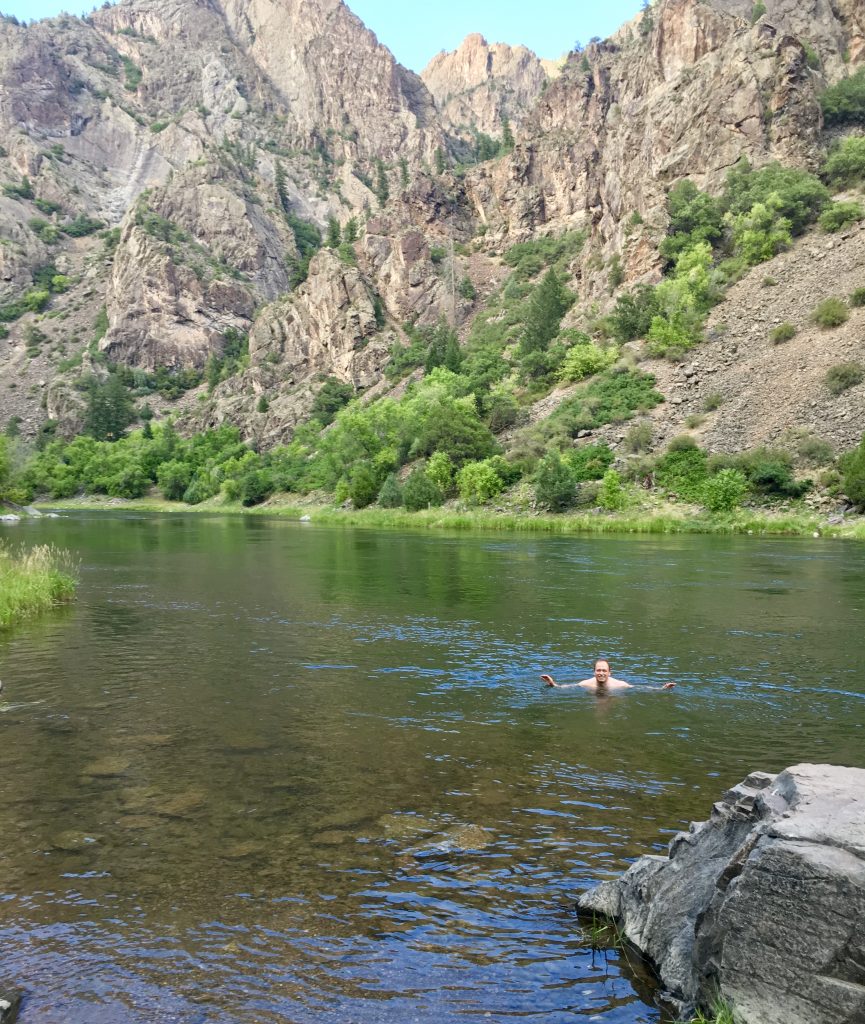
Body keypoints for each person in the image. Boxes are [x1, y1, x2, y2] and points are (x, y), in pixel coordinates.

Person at [541, 659, 675, 692]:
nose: (601, 673)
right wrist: (552, 684)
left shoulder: (619, 684)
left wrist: (661, 689)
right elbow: (566, 687)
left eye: (604, 670)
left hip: (612, 695)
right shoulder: (586, 683)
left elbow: (640, 688)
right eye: (598, 670)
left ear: (609, 672)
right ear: (594, 672)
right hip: (593, 695)